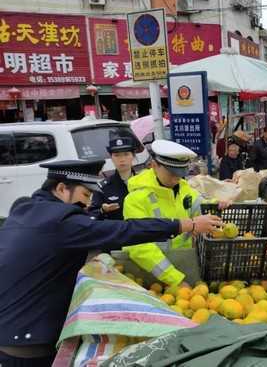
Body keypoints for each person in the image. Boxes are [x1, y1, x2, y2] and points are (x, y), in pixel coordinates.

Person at [0, 159, 222, 366]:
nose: (87, 205)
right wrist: (186, 225)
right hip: (28, 343)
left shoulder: (26, 209)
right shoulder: (61, 223)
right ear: (61, 189)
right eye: (85, 195)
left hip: (9, 326)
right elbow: (124, 231)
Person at [123, 140, 227, 288]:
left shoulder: (183, 189)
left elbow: (200, 206)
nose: (176, 178)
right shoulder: (135, 200)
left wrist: (216, 205)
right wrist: (175, 280)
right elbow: (140, 248)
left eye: (181, 174)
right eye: (171, 173)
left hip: (183, 263)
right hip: (151, 274)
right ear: (154, 166)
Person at [88, 137, 137, 220]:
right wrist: (102, 210)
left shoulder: (144, 182)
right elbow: (92, 215)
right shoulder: (102, 187)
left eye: (126, 154)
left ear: (133, 156)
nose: (122, 159)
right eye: (116, 155)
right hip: (118, 230)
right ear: (111, 158)